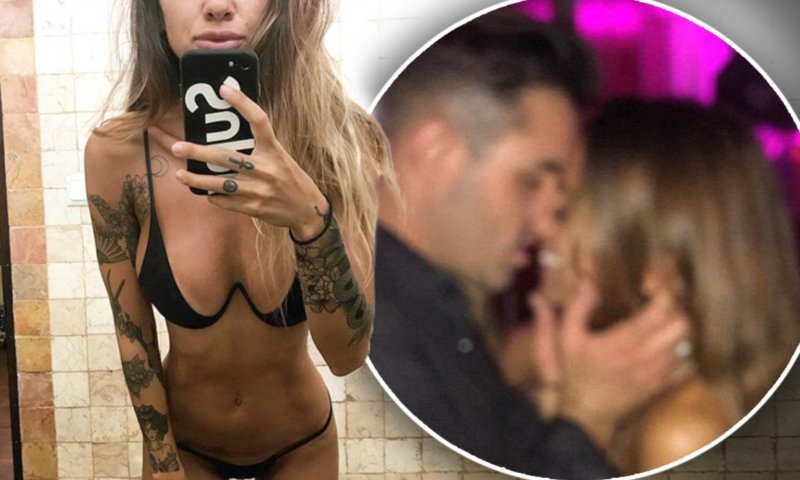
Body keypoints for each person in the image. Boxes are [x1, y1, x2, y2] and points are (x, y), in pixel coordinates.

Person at [370, 9, 690, 479]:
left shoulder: (435, 305)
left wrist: (555, 400)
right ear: (437, 152)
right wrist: (590, 416)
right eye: (532, 180)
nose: (545, 225)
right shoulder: (364, 334)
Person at [85, 1, 390, 479]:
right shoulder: (117, 154)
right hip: (183, 447)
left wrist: (309, 220)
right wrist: (163, 462)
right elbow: (133, 336)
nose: (218, 7)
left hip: (301, 444)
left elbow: (346, 356)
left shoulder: (339, 140)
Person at [538, 98, 800, 473]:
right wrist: (560, 401)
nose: (542, 226)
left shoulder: (682, 434)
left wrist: (581, 416)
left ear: (658, 268)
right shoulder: (647, 395)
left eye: (564, 210)